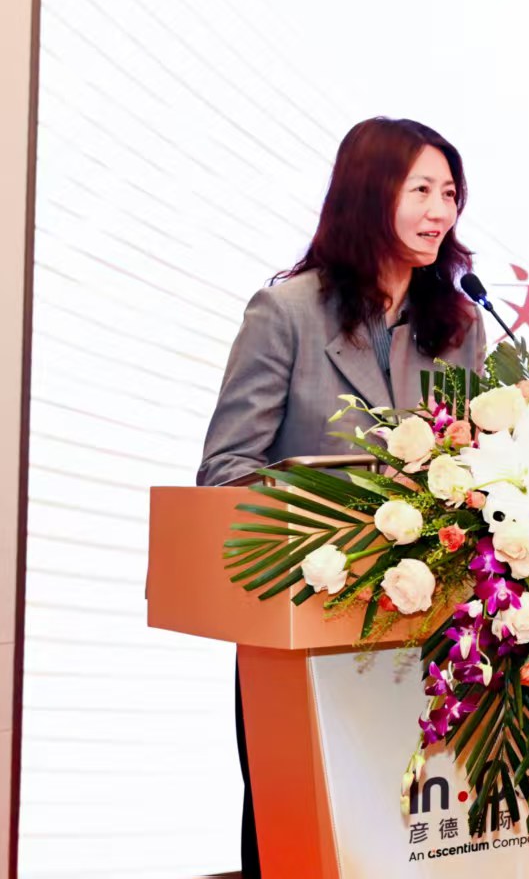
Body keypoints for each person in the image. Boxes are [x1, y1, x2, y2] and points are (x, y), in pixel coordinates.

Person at [198, 117, 487, 877]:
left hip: (422, 626)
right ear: (368, 194)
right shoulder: (287, 313)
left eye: (450, 193)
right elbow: (226, 468)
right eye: (421, 190)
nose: (440, 211)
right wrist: (341, 517)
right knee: (300, 829)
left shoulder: (458, 326)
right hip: (306, 618)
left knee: (404, 833)